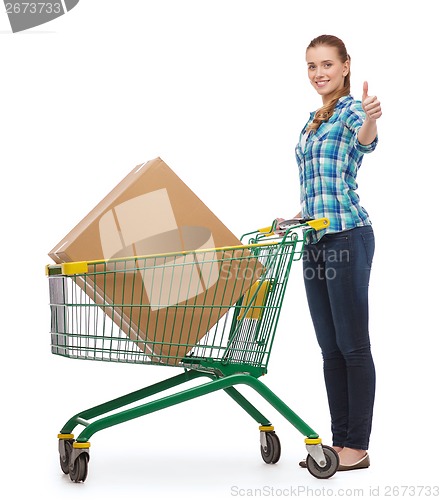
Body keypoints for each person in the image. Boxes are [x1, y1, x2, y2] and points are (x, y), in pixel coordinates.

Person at [282, 34, 382, 471]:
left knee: (353, 346)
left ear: (345, 66)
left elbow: (364, 142)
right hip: (315, 240)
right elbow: (320, 186)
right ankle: (339, 442)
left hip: (347, 236)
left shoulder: (349, 111)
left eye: (326, 64)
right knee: (330, 349)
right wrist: (297, 218)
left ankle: (356, 446)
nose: (318, 73)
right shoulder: (312, 121)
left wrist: (371, 119)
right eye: (311, 66)